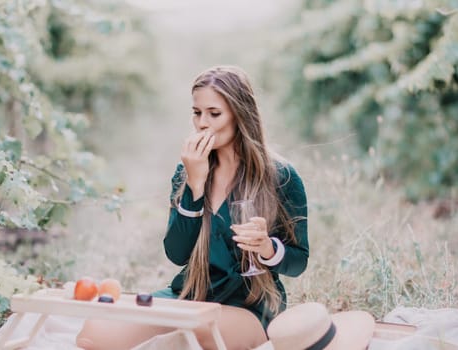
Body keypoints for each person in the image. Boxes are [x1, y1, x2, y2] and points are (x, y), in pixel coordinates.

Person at [76, 65, 309, 350]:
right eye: (197, 113)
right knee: (95, 333)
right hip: (191, 296)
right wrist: (195, 188)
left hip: (248, 306)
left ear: (240, 115)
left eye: (214, 113)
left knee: (187, 339)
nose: (202, 123)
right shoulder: (187, 170)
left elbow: (299, 261)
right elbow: (177, 253)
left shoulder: (280, 175)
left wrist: (267, 248)